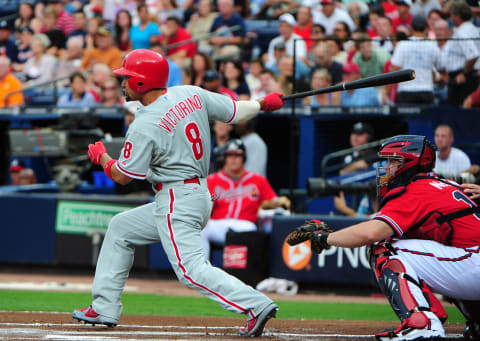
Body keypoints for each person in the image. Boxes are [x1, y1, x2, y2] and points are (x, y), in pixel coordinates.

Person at [72, 49, 285, 337]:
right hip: (196, 193)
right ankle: (104, 305)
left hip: (177, 198)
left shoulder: (144, 124)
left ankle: (255, 304)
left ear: (142, 82)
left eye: (127, 78)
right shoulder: (190, 93)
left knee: (189, 270)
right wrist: (263, 104)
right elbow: (235, 111)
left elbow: (122, 176)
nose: (123, 84)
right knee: (120, 228)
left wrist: (102, 158)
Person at [288, 134, 480, 340]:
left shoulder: (414, 190)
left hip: (473, 264)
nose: (386, 167)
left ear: (408, 163)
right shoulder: (443, 183)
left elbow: (371, 233)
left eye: (392, 161)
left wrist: (325, 238)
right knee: (422, 247)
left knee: (383, 247)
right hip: (471, 263)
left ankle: (421, 323)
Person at [201, 139, 290, 258]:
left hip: (246, 226)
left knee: (255, 228)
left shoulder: (258, 181)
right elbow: (205, 204)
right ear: (225, 158)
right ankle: (201, 271)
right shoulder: (214, 181)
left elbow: (274, 203)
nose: (233, 159)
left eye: (237, 155)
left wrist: (278, 203)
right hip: (220, 225)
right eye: (229, 155)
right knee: (201, 228)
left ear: (244, 158)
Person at [390, 15, 442, 105]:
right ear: (426, 29)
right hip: (426, 91)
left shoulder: (402, 44)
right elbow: (441, 68)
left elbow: (394, 69)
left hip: (406, 91)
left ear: (411, 28)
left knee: (404, 119)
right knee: (426, 119)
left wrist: (385, 91)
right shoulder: (432, 46)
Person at [443, 1, 480, 106]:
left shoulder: (462, 32)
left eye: (451, 15)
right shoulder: (472, 28)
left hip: (462, 79)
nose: (450, 18)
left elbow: (473, 55)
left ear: (457, 16)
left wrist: (464, 73)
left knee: (457, 112)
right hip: (469, 76)